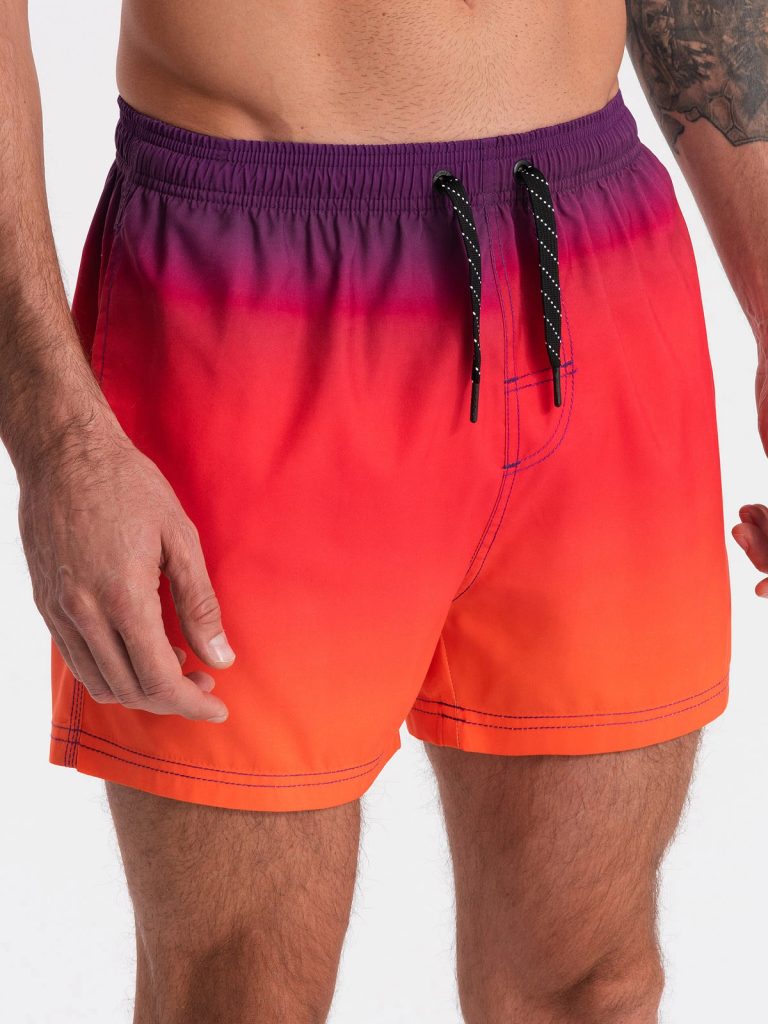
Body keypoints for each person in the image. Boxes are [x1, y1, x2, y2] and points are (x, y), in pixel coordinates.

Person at [1, 1, 765, 1020]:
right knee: (240, 996)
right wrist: (59, 438)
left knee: (593, 987)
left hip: (594, 263)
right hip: (258, 290)